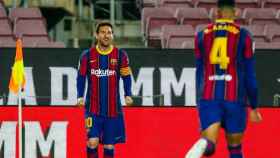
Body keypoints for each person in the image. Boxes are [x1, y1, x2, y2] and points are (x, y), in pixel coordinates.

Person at [185, 0, 262, 158]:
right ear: (235, 13)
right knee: (235, 148)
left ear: (216, 12)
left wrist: (199, 101)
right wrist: (254, 106)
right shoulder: (244, 36)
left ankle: (204, 145)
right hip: (235, 98)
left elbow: (199, 72)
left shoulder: (201, 35)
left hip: (209, 95)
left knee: (210, 144)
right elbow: (250, 75)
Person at [76, 21, 133, 158]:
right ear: (97, 35)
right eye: (103, 32)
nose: (106, 35)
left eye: (109, 32)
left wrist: (128, 94)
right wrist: (80, 96)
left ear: (112, 35)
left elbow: (126, 76)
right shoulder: (87, 56)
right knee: (92, 141)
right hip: (92, 109)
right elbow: (81, 77)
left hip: (113, 110)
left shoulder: (121, 55)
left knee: (109, 146)